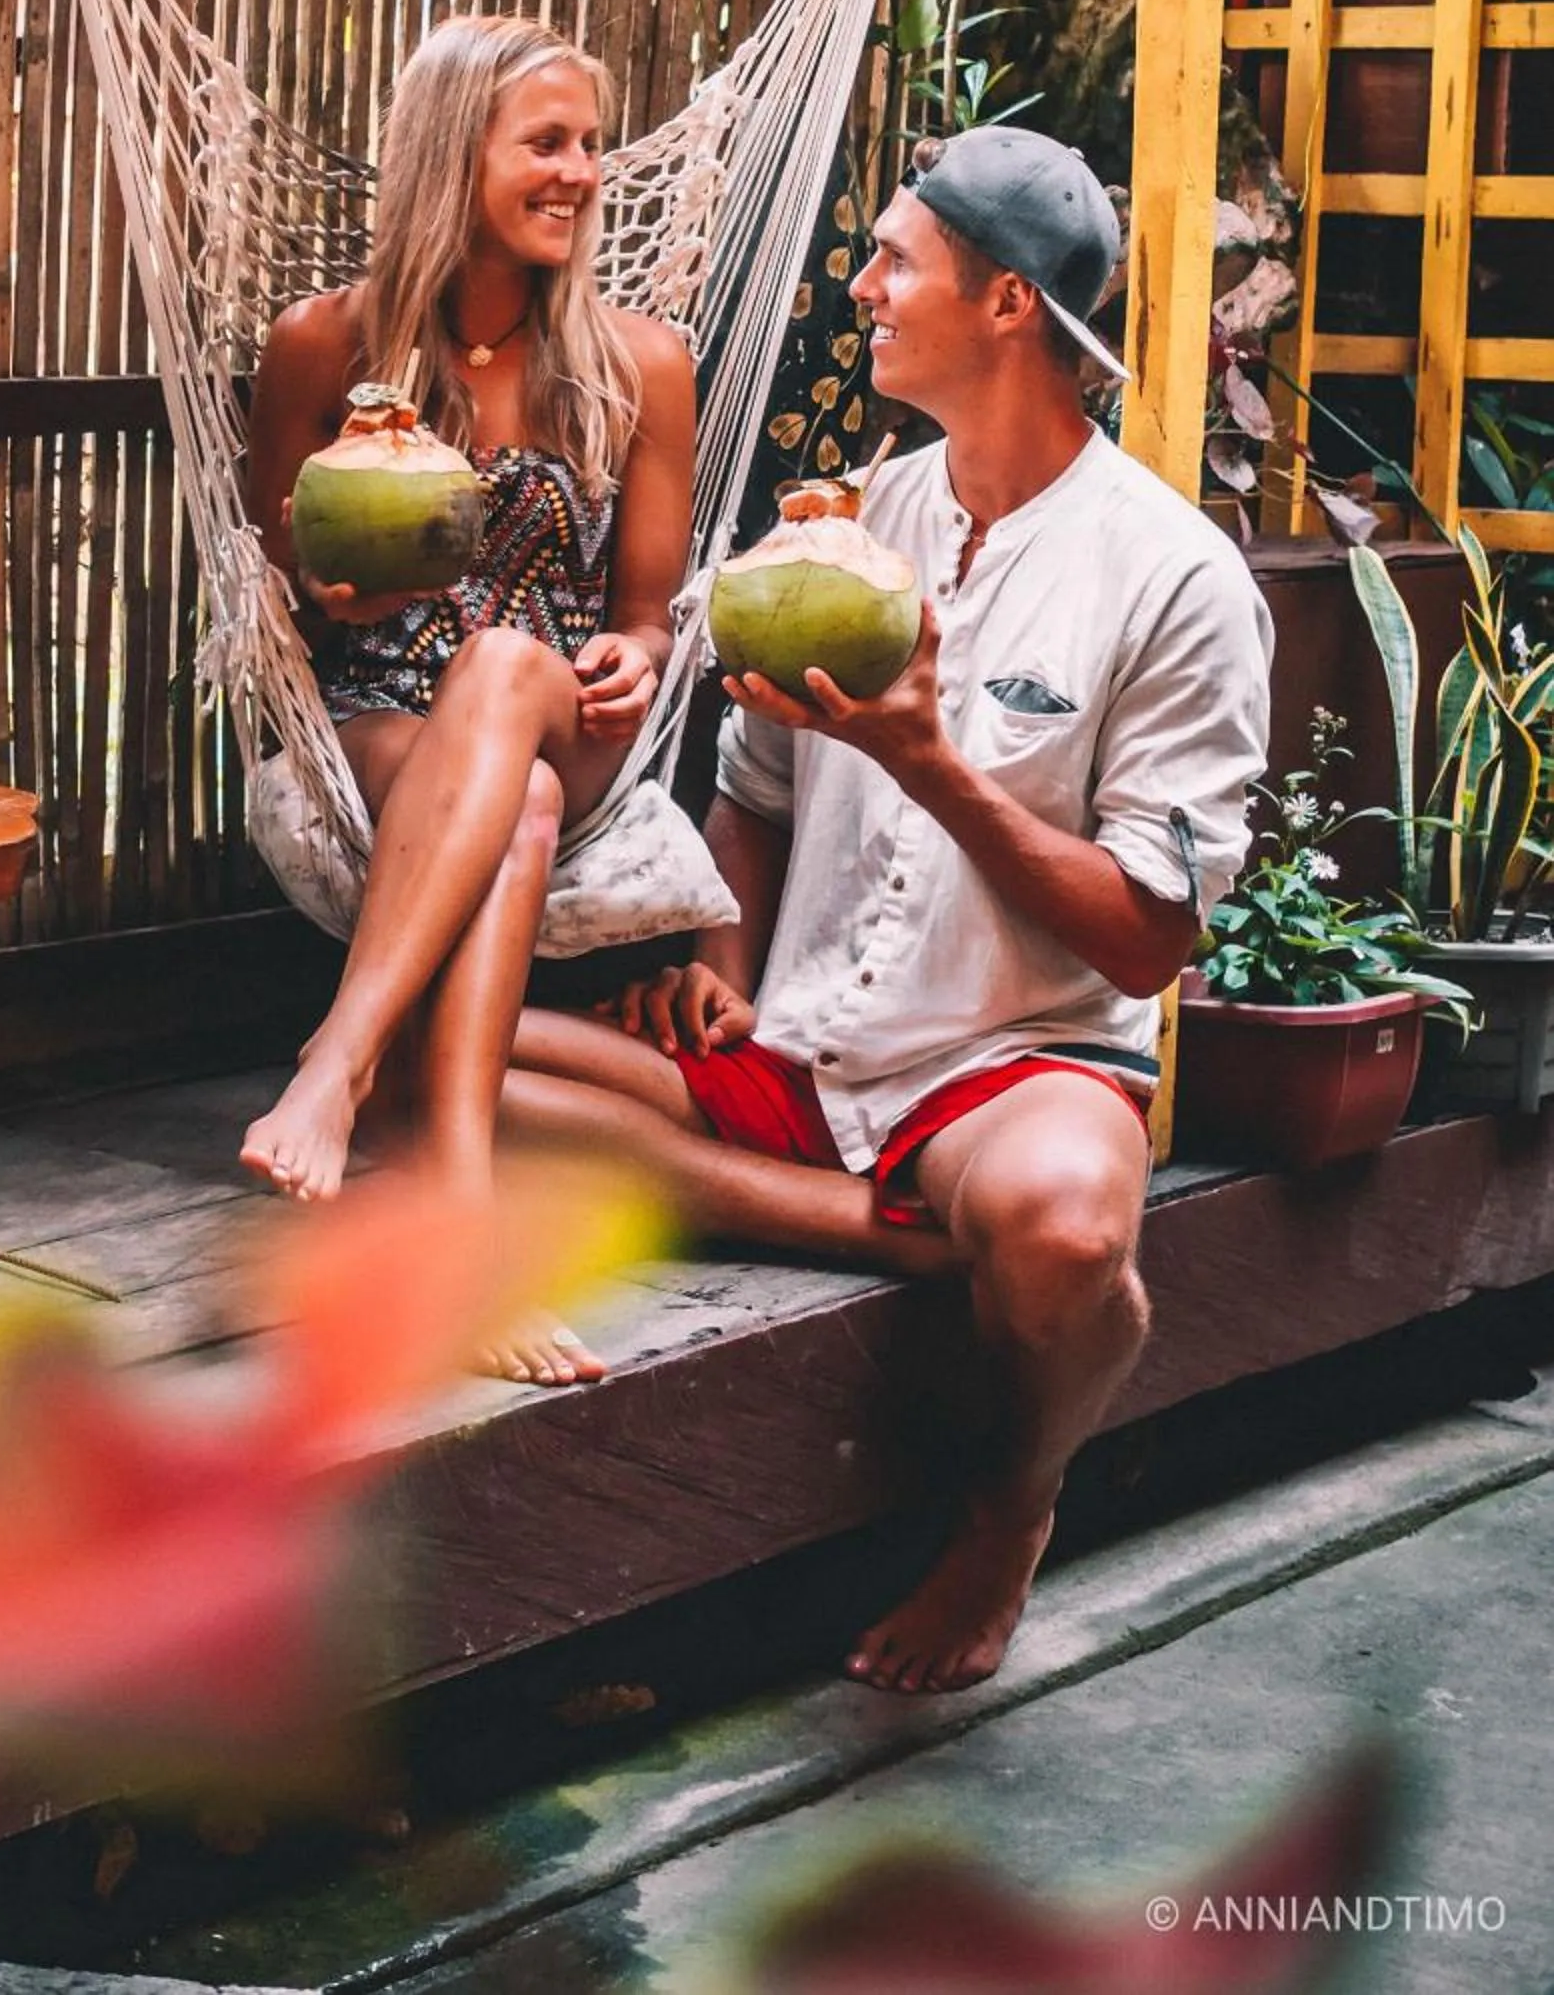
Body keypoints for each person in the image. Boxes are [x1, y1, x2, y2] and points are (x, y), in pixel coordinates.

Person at [501, 124, 1273, 1682]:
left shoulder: (1170, 577)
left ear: (1003, 305)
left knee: (1060, 1234)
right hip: (803, 1046)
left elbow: (1145, 934)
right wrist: (718, 962)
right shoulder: (845, 528)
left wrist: (931, 760)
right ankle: (901, 1239)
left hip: (1011, 1064)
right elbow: (754, 798)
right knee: (439, 1076)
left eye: (892, 260)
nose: (858, 287)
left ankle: (1005, 1517)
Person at [241, 13, 696, 1381]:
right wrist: (341, 598)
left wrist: (639, 654)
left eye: (589, 145)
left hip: (566, 700)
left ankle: (337, 1058)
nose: (579, 172)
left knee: (510, 679)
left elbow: (641, 615)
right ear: (454, 157)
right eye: (543, 144)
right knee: (517, 809)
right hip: (387, 714)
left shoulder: (639, 365)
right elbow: (283, 581)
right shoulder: (323, 348)